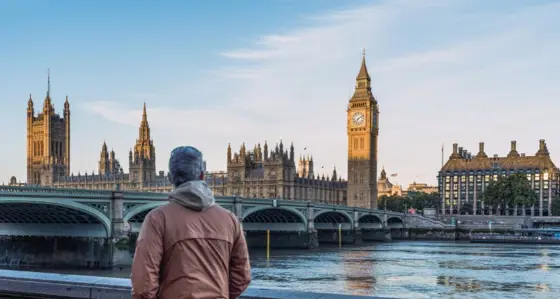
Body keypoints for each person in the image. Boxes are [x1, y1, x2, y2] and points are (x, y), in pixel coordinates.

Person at [131, 146, 251, 299]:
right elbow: (242, 276)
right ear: (202, 175)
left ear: (170, 178)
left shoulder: (157, 219)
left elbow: (143, 285)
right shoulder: (230, 219)